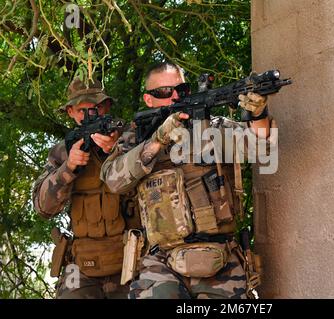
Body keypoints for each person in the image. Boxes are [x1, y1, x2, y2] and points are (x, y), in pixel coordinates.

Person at [100, 62, 277, 299]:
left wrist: (258, 113)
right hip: (161, 261)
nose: (174, 97)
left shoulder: (210, 127)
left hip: (220, 256)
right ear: (148, 100)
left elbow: (262, 149)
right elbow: (113, 180)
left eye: (180, 90)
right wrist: (158, 141)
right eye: (163, 92)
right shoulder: (136, 139)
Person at [32, 77, 138, 299]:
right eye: (82, 110)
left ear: (108, 106)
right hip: (83, 263)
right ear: (70, 112)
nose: (91, 114)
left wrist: (117, 151)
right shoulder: (62, 151)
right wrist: (68, 168)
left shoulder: (132, 137)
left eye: (97, 107)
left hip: (134, 257)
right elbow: (43, 208)